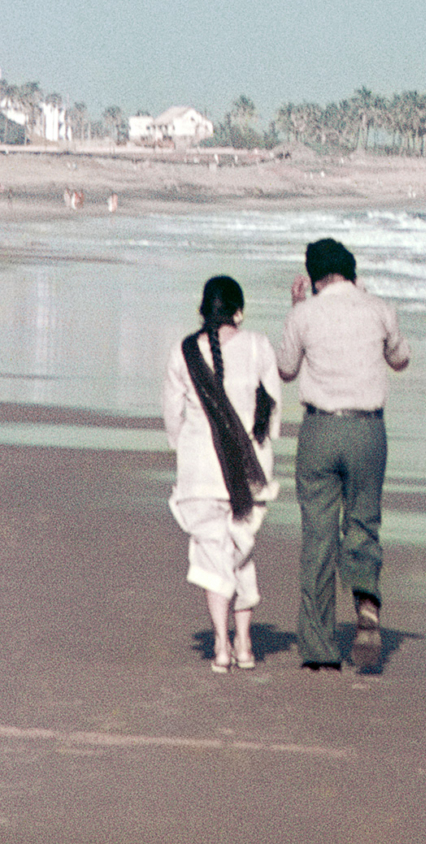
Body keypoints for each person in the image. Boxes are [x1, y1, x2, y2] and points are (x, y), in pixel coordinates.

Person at [277, 237, 410, 672]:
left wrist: (296, 307)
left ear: (314, 278)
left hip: (319, 428)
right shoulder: (378, 309)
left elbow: (286, 369)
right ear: (353, 273)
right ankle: (366, 600)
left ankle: (319, 648)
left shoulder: (304, 314)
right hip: (367, 429)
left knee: (318, 535)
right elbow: (401, 359)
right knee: (363, 521)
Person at [162, 274, 281, 672]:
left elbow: (172, 416)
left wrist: (187, 447)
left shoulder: (183, 352)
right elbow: (272, 410)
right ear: (239, 312)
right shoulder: (259, 345)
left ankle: (221, 645)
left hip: (200, 471)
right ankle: (244, 644)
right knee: (241, 553)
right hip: (250, 472)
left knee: (213, 556)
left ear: (203, 310)